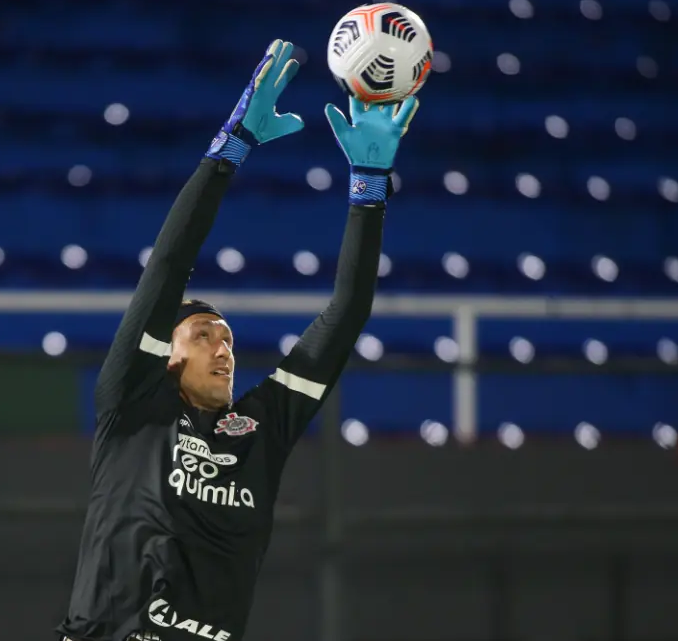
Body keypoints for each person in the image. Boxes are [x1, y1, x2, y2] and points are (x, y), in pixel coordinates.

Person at [56, 39, 419, 641]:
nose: (223, 348)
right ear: (168, 352)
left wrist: (370, 188)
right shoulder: (131, 404)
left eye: (226, 338)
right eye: (203, 336)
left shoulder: (262, 430)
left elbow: (347, 312)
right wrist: (227, 154)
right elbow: (168, 268)